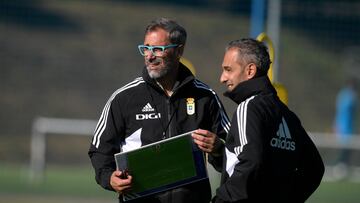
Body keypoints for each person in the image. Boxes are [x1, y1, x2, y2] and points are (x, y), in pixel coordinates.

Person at [88, 17, 230, 203]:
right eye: (145, 48)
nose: (149, 55)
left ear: (179, 51)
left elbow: (235, 155)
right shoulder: (123, 98)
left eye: (157, 49)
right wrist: (109, 179)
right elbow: (99, 151)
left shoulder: (205, 97)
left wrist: (219, 149)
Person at [212, 38, 324, 203]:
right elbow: (314, 169)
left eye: (228, 69)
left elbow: (250, 162)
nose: (222, 78)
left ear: (250, 70)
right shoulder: (288, 115)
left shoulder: (248, 108)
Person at [334, 77, 357, 169]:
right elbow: (341, 110)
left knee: (347, 148)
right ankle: (340, 165)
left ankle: (344, 165)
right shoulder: (347, 95)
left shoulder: (349, 95)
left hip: (348, 127)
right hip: (343, 126)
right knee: (342, 148)